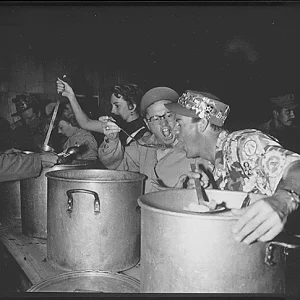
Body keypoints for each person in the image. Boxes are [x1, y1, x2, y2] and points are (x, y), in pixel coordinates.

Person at [165, 89, 300, 244]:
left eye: (179, 123)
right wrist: (203, 194)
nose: (174, 131)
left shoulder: (244, 143)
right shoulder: (211, 166)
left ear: (202, 124)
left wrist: (282, 201)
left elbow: (296, 168)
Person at [98, 87, 209, 194]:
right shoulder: (143, 146)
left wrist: (181, 194)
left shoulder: (195, 150)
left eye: (169, 115)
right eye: (156, 118)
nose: (164, 123)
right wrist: (112, 138)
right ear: (147, 124)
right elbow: (115, 165)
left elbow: (206, 191)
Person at [56, 78, 149, 148]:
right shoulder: (116, 124)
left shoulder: (145, 133)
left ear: (132, 106)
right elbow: (85, 123)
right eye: (112, 106)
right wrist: (71, 96)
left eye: (117, 106)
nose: (112, 111)